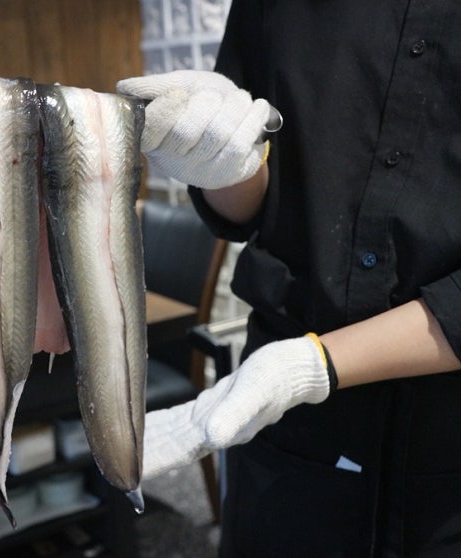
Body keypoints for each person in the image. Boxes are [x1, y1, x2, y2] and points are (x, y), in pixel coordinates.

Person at [117, 2, 461, 556]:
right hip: (278, 427)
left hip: (441, 452)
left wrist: (311, 365)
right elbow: (250, 205)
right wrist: (221, 163)